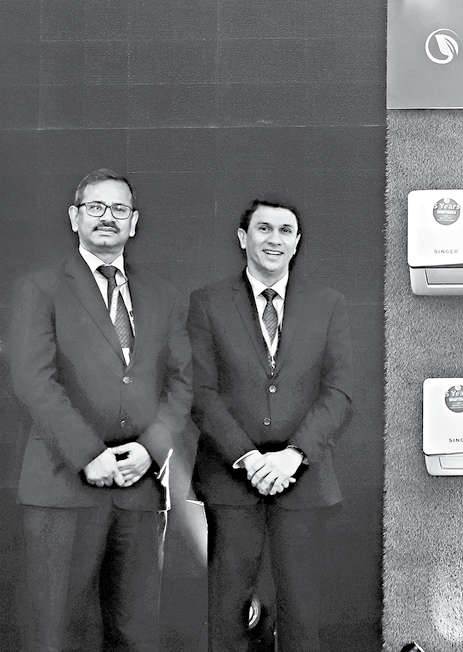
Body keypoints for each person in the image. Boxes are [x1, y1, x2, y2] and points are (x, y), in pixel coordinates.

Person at [8, 168, 193, 650]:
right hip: (61, 487)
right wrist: (89, 454)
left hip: (140, 491)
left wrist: (152, 450)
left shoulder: (164, 296)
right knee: (54, 636)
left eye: (119, 209)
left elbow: (182, 383)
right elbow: (33, 380)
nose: (107, 217)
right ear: (74, 217)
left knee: (136, 636)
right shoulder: (39, 289)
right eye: (95, 207)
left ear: (134, 221)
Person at [188, 198, 354, 651]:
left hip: (304, 482)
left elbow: (339, 393)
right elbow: (200, 393)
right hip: (229, 482)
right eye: (264, 228)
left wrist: (293, 456)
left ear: (297, 243)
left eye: (285, 230)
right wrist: (249, 458)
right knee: (228, 617)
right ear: (243, 238)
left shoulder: (328, 304)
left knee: (302, 616)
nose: (274, 239)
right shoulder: (207, 303)